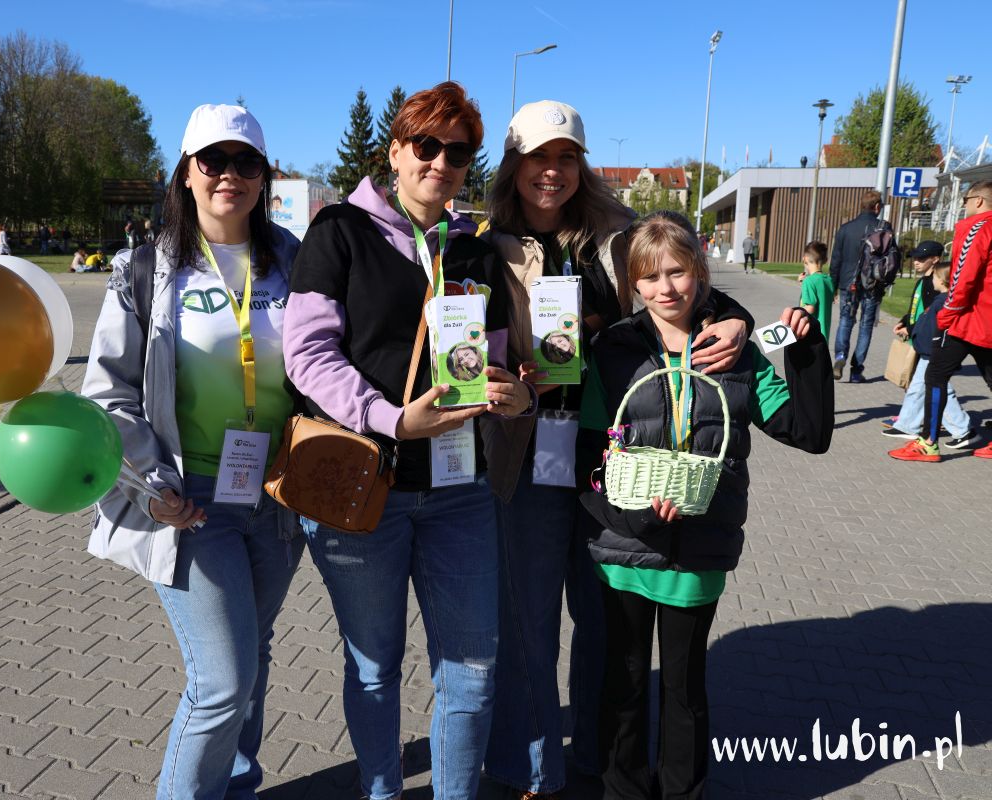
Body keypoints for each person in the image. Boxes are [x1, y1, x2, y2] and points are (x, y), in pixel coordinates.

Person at [479, 102, 753, 800]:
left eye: (565, 157)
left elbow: (685, 286)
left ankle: (597, 763)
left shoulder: (615, 235)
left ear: (581, 164)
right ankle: (529, 767)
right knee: (529, 621)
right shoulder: (483, 242)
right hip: (527, 454)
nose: (552, 171)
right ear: (513, 164)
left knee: (603, 624)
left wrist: (737, 318)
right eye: (538, 157)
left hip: (615, 460)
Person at [284, 81, 532, 800]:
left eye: (458, 152)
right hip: (366, 487)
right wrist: (390, 418)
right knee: (374, 668)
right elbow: (307, 354)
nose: (440, 163)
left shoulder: (473, 252)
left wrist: (512, 396)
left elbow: (487, 361)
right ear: (395, 151)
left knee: (473, 669)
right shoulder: (339, 233)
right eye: (426, 145)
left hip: (459, 489)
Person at [83, 104, 305, 799]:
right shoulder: (146, 269)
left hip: (279, 495)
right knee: (222, 682)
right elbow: (108, 391)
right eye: (214, 160)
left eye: (247, 162)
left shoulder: (295, 261)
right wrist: (150, 483)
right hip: (191, 502)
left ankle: (237, 786)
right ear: (186, 173)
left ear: (264, 176)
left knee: (254, 657)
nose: (229, 174)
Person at [577, 211, 833, 800]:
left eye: (678, 271)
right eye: (650, 277)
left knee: (685, 688)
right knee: (624, 683)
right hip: (624, 547)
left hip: (698, 550)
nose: (666, 288)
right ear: (633, 284)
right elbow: (586, 457)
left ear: (701, 270)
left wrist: (808, 352)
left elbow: (808, 432)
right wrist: (631, 516)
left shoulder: (735, 352)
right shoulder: (612, 351)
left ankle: (683, 791)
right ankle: (623, 791)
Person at [890, 181, 992, 462]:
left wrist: (946, 314)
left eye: (965, 200)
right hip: (986, 320)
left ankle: (928, 443)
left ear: (978, 201)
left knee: (934, 375)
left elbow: (963, 277)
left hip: (968, 319)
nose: (964, 205)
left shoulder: (978, 228)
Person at [882, 250, 975, 449]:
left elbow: (938, 328)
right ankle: (908, 424)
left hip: (935, 351)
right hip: (927, 349)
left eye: (935, 277)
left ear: (942, 280)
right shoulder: (939, 298)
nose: (931, 279)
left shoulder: (944, 302)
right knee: (918, 387)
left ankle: (963, 429)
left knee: (937, 387)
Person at [830, 190, 891, 383]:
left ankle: (840, 356)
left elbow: (836, 260)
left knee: (845, 320)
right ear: (877, 206)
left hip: (848, 283)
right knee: (866, 325)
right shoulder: (884, 227)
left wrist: (833, 285)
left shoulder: (845, 229)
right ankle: (856, 371)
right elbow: (891, 259)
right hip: (873, 284)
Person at [799, 241, 836, 340]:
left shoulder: (809, 281)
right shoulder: (829, 280)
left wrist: (796, 314)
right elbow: (821, 296)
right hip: (823, 336)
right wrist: (803, 284)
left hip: (811, 336)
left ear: (805, 259)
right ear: (825, 260)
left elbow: (810, 308)